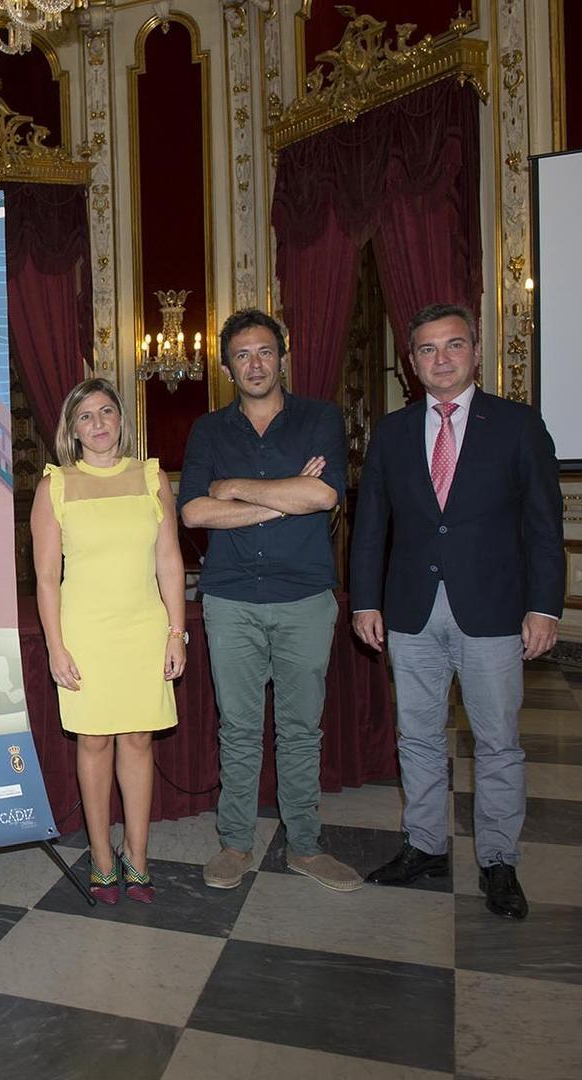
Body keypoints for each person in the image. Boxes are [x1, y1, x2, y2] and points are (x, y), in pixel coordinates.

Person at [351, 303, 563, 920]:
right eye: (427, 349)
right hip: (410, 613)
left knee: (497, 743)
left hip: (493, 610)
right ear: (412, 362)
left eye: (453, 346)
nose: (441, 359)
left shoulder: (519, 425)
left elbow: (544, 525)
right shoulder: (392, 432)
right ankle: (425, 847)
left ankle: (498, 861)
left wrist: (544, 607)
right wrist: (365, 600)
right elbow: (371, 526)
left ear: (475, 351)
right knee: (416, 737)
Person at [179, 309, 362, 893]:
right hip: (231, 598)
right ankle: (235, 843)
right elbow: (194, 511)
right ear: (227, 367)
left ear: (283, 357)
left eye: (264, 352)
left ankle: (305, 846)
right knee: (237, 728)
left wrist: (234, 488)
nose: (254, 364)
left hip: (304, 596)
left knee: (301, 728)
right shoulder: (209, 430)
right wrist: (287, 496)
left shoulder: (319, 417)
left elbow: (325, 495)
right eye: (242, 355)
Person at [32, 379, 184, 903]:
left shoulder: (151, 477)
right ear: (72, 430)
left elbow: (170, 561)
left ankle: (137, 858)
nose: (98, 424)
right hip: (85, 634)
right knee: (94, 742)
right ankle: (101, 858)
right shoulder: (55, 485)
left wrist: (177, 633)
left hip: (144, 629)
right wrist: (56, 647)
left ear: (121, 419)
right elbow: (46, 578)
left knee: (138, 740)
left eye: (106, 412)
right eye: (85, 416)